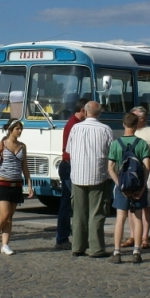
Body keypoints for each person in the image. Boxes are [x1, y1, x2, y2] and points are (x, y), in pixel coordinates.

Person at [66, 101, 114, 257]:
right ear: (99, 113)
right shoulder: (105, 129)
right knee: (96, 213)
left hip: (78, 174)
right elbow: (111, 153)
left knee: (79, 212)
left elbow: (69, 150)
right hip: (98, 174)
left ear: (85, 112)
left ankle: (78, 246)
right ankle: (96, 248)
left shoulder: (75, 128)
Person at [0, 118, 34, 255]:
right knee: (4, 214)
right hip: (2, 183)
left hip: (16, 184)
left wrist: (29, 183)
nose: (20, 131)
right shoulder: (2, 144)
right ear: (10, 130)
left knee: (10, 217)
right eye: (17, 128)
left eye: (21, 128)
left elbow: (24, 166)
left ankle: (5, 244)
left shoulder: (23, 146)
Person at [108, 113, 150, 264]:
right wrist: (143, 186)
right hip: (137, 186)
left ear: (123, 124)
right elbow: (146, 167)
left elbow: (110, 168)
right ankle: (136, 251)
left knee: (120, 219)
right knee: (138, 218)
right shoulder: (142, 144)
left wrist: (119, 184)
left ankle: (117, 252)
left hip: (122, 187)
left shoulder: (115, 144)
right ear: (137, 124)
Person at [121, 106, 150, 250]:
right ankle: (132, 235)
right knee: (131, 206)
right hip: (130, 174)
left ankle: (144, 237)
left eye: (134, 116)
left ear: (142, 118)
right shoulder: (130, 131)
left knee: (146, 205)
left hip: (147, 173)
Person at [55, 98, 89, 250]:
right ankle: (62, 238)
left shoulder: (73, 123)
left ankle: (68, 237)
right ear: (82, 110)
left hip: (69, 165)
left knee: (70, 203)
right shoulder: (74, 125)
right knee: (68, 204)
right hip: (69, 166)